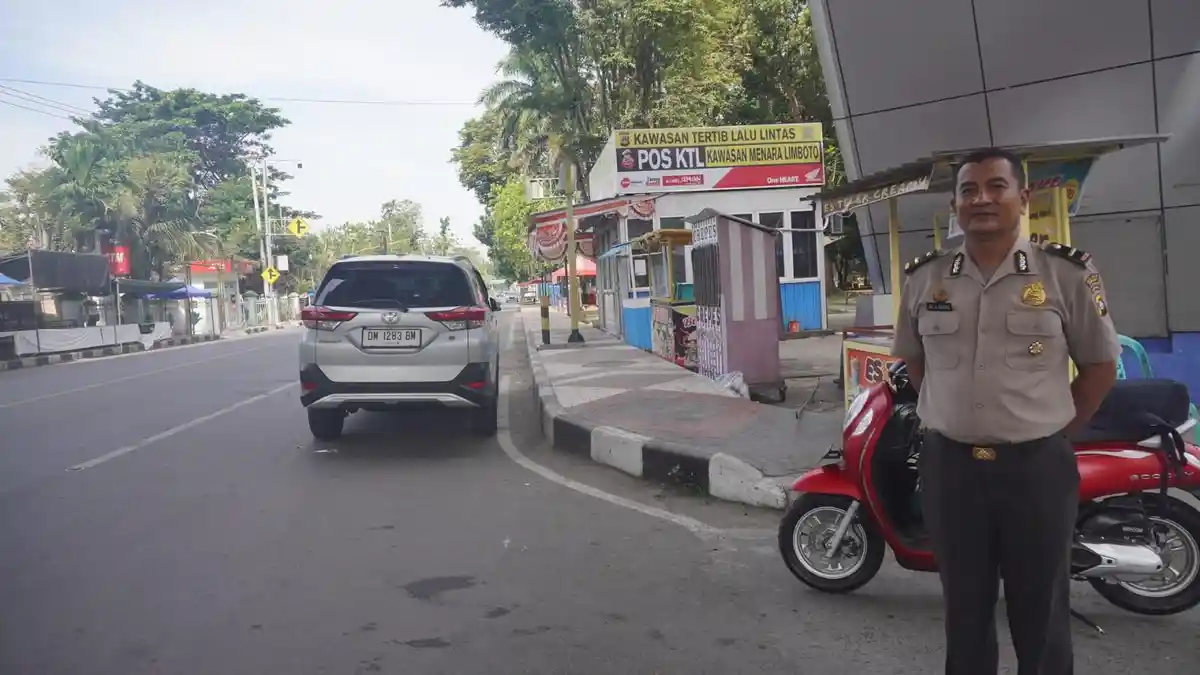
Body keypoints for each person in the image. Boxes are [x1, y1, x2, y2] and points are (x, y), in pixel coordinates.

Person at [892, 147, 1120, 675]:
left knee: (1041, 612)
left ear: (1023, 196)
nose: (982, 199)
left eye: (996, 186)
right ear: (955, 204)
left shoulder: (1064, 273)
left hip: (1036, 470)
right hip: (951, 468)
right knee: (964, 611)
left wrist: (1052, 430)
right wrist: (956, 416)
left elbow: (1099, 367)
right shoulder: (926, 278)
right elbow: (917, 364)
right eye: (968, 190)